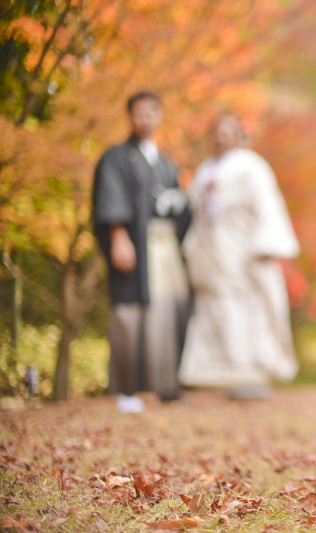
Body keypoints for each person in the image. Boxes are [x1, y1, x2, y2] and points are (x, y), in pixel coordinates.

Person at [178, 115, 300, 398]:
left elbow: (268, 207)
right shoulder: (205, 169)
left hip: (242, 250)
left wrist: (266, 246)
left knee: (246, 307)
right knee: (213, 307)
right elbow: (195, 210)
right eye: (216, 132)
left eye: (227, 132)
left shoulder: (252, 166)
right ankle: (213, 372)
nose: (221, 138)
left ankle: (249, 373)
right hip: (212, 251)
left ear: (239, 135)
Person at [92, 91, 191, 413]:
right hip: (135, 244)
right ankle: (126, 389)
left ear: (160, 116)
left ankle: (167, 385)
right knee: (129, 312)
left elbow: (181, 210)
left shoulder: (167, 163)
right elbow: (110, 196)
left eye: (152, 112)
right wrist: (118, 235)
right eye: (139, 112)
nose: (146, 118)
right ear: (129, 116)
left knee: (168, 312)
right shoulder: (116, 157)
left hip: (165, 249)